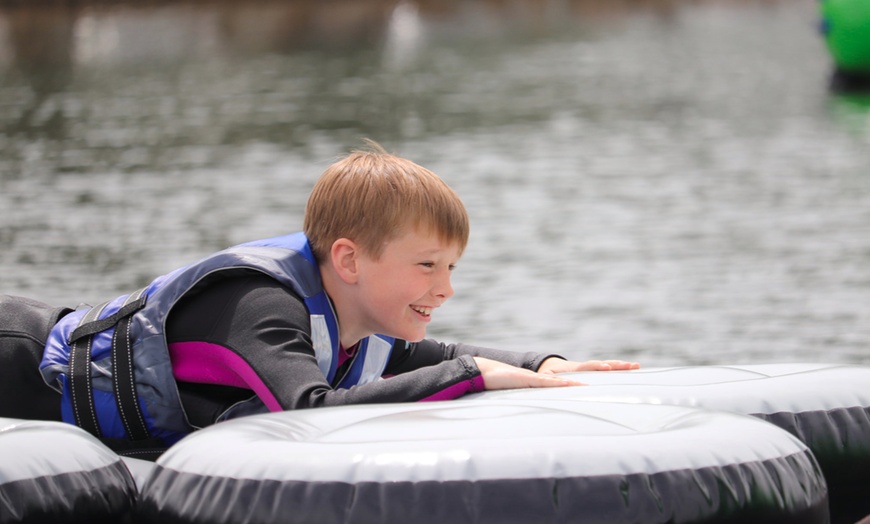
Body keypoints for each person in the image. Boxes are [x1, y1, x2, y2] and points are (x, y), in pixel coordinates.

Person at [0, 141, 639, 456]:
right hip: (16, 357)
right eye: (426, 266)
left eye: (451, 267)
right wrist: (472, 378)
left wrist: (540, 365)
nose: (445, 288)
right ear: (349, 260)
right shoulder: (259, 306)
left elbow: (432, 353)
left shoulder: (356, 321)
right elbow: (308, 408)